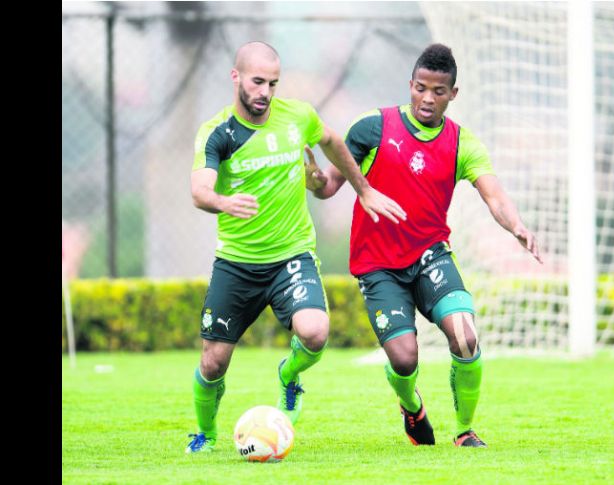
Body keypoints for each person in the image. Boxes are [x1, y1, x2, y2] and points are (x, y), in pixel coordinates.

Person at [305, 43, 542, 448]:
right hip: (378, 265)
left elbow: (494, 196)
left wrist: (515, 225)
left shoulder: (461, 143)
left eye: (437, 91)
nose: (427, 99)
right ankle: (411, 406)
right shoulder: (371, 128)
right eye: (420, 88)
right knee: (404, 359)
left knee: (465, 336)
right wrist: (314, 181)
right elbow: (329, 186)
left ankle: (465, 431)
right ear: (410, 84)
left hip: (430, 255)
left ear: (453, 94)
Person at [185, 41, 406, 454]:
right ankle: (205, 433)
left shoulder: (298, 116)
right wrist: (222, 201)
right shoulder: (218, 133)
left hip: (292, 256)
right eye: (257, 82)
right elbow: (199, 191)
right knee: (213, 362)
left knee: (316, 332)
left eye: (272, 83)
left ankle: (289, 375)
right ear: (236, 78)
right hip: (237, 263)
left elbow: (332, 141)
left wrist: (362, 189)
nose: (265, 92)